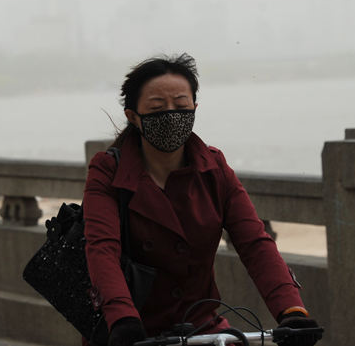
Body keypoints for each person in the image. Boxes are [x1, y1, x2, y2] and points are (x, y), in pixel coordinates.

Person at [83, 53, 321, 346]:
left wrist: (291, 310)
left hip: (203, 329)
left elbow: (255, 244)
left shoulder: (215, 168)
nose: (171, 115)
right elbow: (102, 249)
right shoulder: (108, 171)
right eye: (157, 108)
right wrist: (122, 320)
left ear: (194, 108)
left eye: (181, 106)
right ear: (132, 116)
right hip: (132, 335)